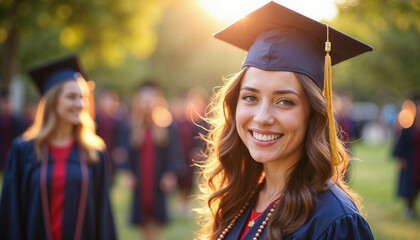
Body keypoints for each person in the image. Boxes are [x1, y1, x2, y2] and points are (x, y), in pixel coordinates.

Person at [196, 2, 374, 240]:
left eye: (284, 101)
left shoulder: (335, 222)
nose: (262, 117)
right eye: (250, 97)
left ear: (313, 113)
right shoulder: (240, 196)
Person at [0, 55, 117, 240]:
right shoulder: (23, 151)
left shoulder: (94, 152)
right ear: (53, 101)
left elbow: (103, 217)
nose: (80, 104)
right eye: (71, 97)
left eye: (83, 97)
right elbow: (11, 215)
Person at [118, 81, 185, 240]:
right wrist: (127, 173)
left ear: (158, 102)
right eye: (144, 100)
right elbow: (124, 152)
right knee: (142, 215)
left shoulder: (167, 126)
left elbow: (175, 153)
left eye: (150, 100)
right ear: (138, 102)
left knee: (156, 214)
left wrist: (170, 174)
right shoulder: (131, 126)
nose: (147, 104)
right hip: (140, 177)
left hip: (158, 177)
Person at [392, 96, 420, 219]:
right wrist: (401, 160)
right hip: (412, 162)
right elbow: (400, 147)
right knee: (410, 186)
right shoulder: (408, 130)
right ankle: (410, 209)